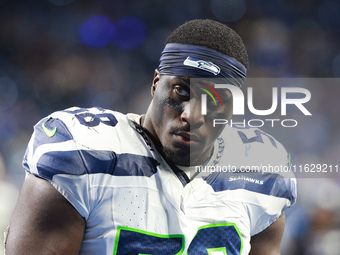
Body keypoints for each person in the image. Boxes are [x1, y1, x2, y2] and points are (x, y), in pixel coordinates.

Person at [5, 19, 296, 254]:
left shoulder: (263, 175)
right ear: (156, 84)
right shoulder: (84, 151)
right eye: (181, 91)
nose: (192, 115)